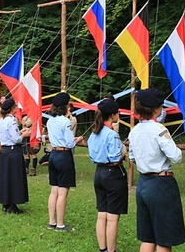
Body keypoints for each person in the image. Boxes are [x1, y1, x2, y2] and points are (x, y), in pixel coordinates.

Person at [128, 88, 185, 251]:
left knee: (148, 237)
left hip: (143, 184)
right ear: (156, 109)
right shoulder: (159, 129)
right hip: (161, 185)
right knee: (164, 239)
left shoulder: (134, 131)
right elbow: (176, 156)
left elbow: (131, 157)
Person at [88, 98, 128, 252]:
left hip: (99, 173)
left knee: (102, 214)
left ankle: (103, 249)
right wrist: (123, 151)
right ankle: (112, 250)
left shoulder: (93, 133)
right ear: (112, 115)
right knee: (112, 217)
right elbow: (115, 156)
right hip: (113, 174)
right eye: (117, 113)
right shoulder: (112, 134)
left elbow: (92, 156)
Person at [46, 92, 83, 232]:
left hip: (53, 153)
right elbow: (69, 142)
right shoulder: (65, 122)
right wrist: (77, 139)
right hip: (63, 155)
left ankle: (52, 221)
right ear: (65, 106)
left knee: (53, 191)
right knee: (62, 192)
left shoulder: (50, 120)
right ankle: (60, 224)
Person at [0, 98, 31, 214]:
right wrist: (24, 134)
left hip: (5, 151)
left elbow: (8, 135)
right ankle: (13, 203)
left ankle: (5, 202)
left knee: (5, 178)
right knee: (14, 178)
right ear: (12, 109)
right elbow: (16, 139)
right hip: (13, 151)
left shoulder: (1, 121)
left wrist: (20, 132)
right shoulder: (12, 121)